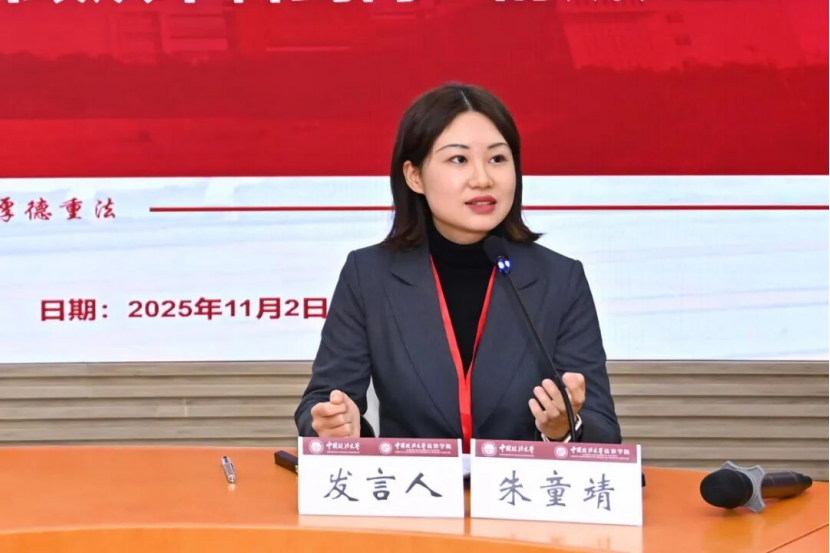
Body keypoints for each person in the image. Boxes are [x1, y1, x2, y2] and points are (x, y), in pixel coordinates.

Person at [295, 83, 620, 450]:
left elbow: (604, 431)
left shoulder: (560, 279)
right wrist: (336, 426)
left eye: (498, 159)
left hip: (517, 486)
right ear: (415, 176)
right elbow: (321, 400)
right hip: (414, 484)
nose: (483, 178)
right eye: (459, 160)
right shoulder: (368, 275)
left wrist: (564, 428)